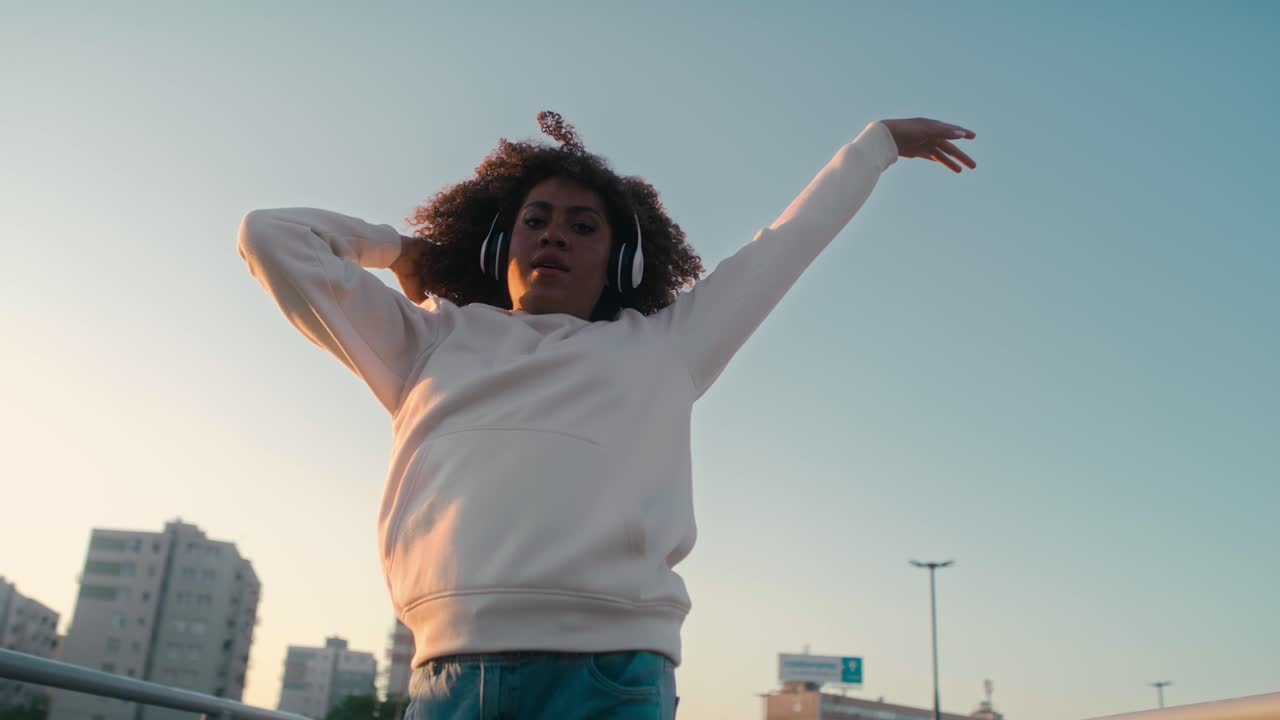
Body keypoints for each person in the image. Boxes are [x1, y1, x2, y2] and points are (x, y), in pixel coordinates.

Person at [238, 111, 976, 719]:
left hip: (609, 679)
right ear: (501, 245)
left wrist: (876, 145)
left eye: (583, 226)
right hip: (449, 681)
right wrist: (402, 249)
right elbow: (271, 235)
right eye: (535, 220)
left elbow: (784, 246)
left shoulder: (667, 345)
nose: (555, 234)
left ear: (622, 261)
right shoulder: (426, 340)